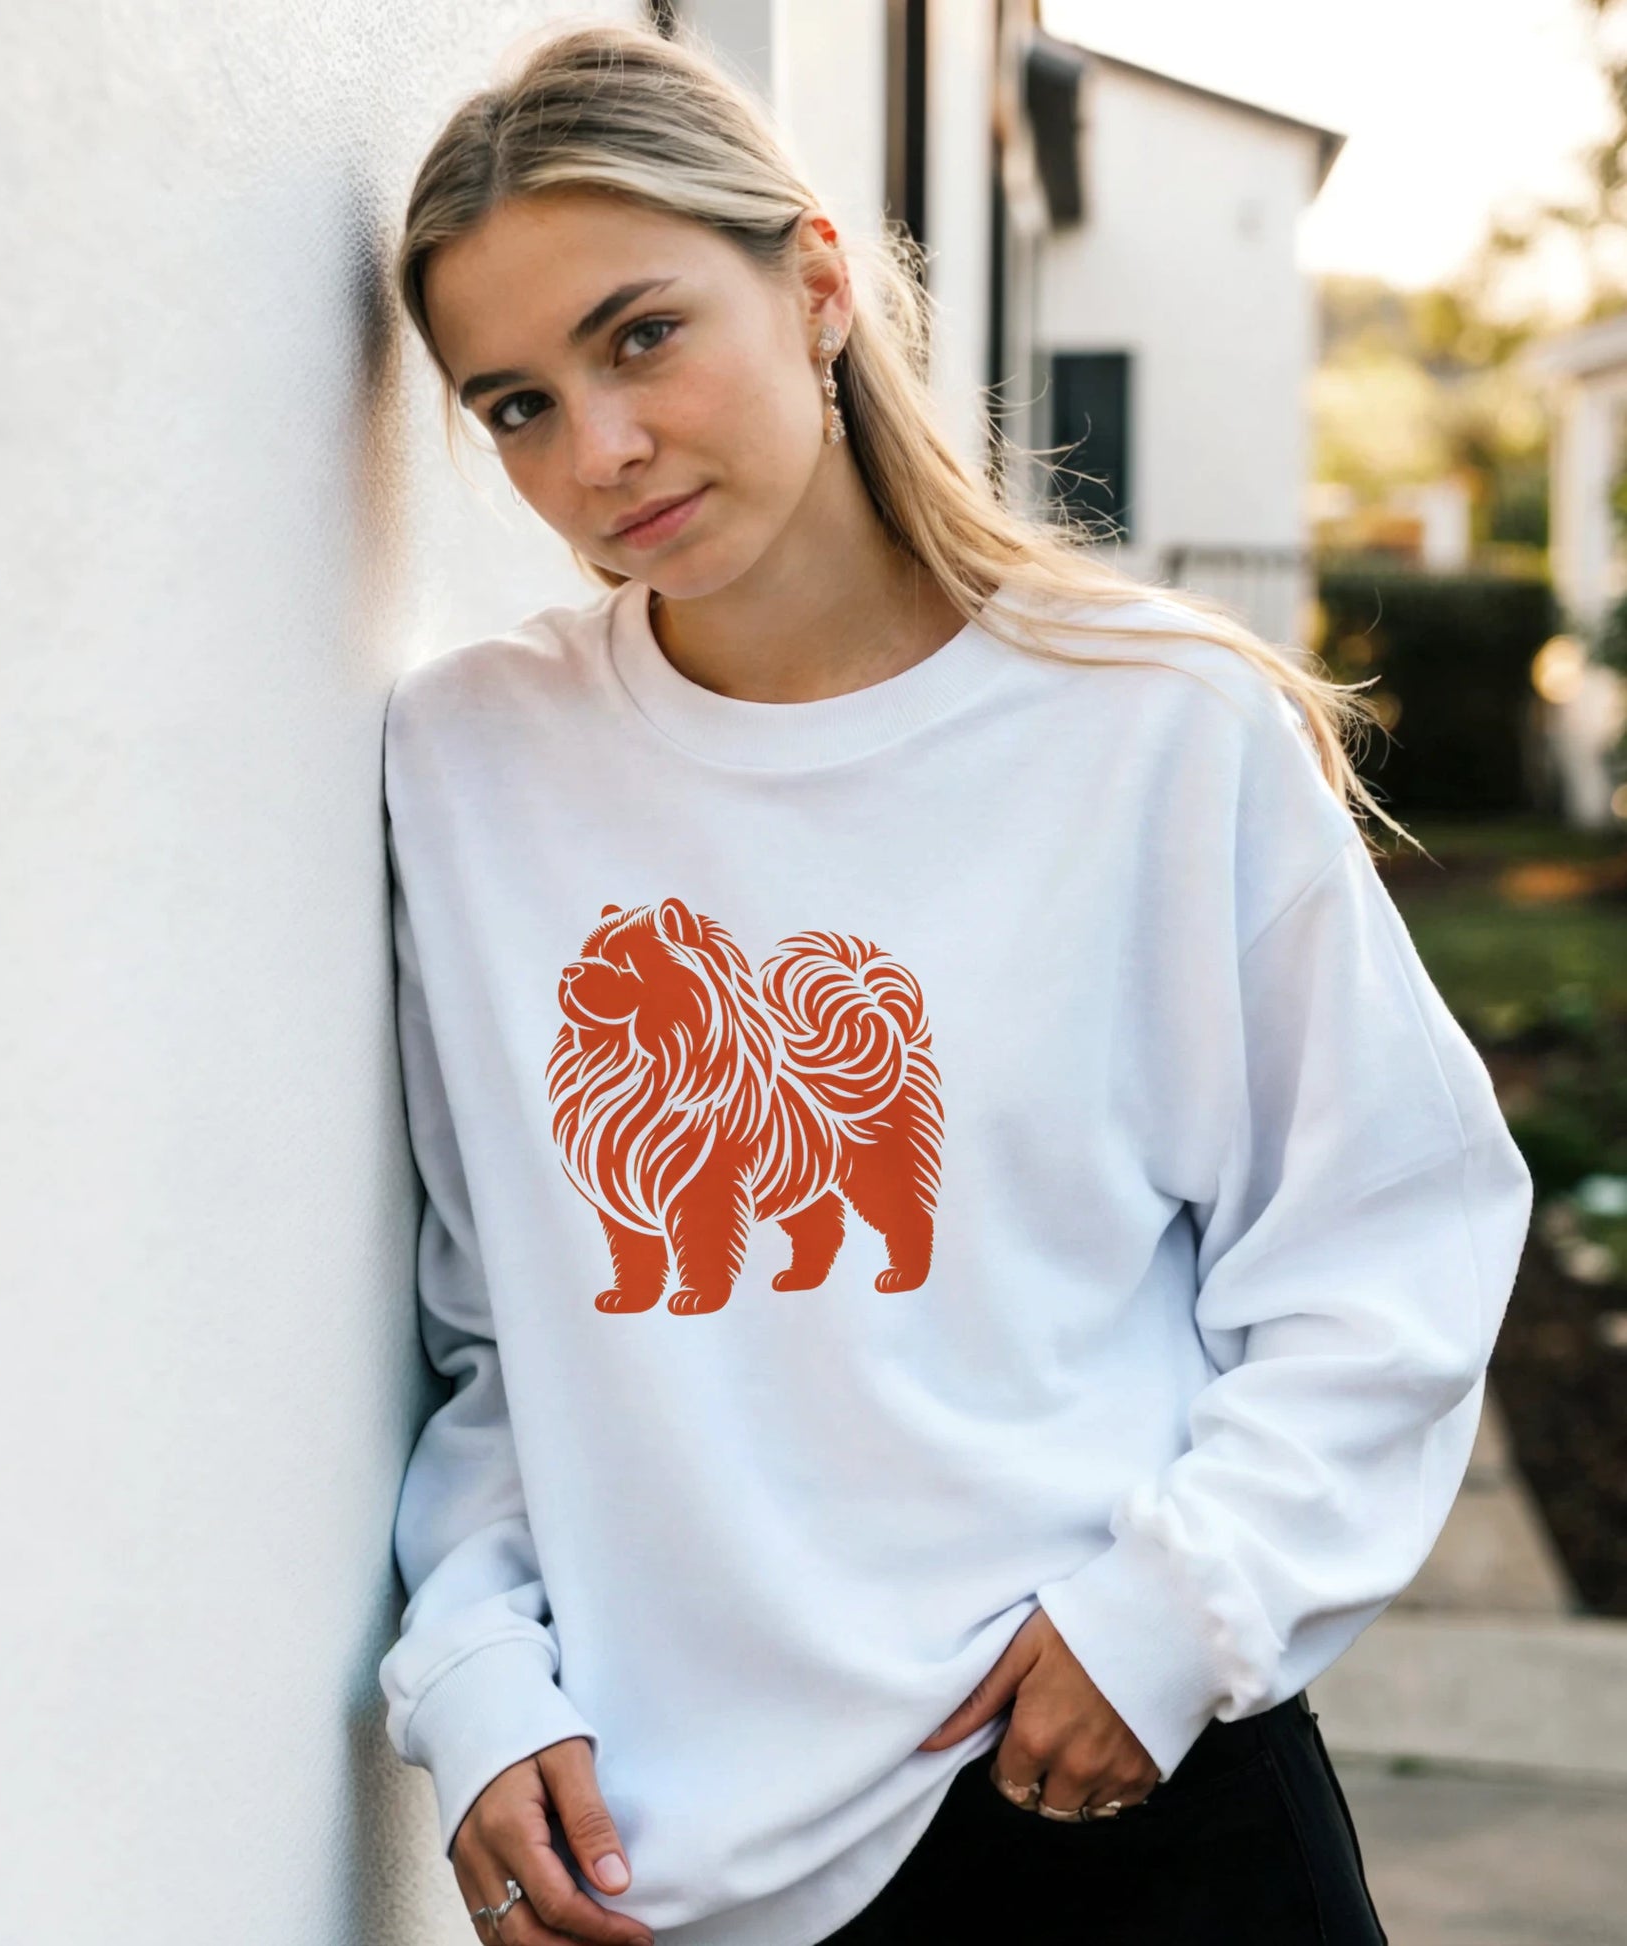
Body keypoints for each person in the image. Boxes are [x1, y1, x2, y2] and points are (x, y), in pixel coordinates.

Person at [374, 20, 1532, 1946]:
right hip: (680, 1866)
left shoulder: (1151, 727)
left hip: (1108, 1788)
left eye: (641, 334)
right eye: (512, 403)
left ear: (817, 283)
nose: (598, 451)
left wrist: (1171, 1615)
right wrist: (480, 1676)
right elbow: (505, 1322)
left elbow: (1388, 1243)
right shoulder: (476, 766)